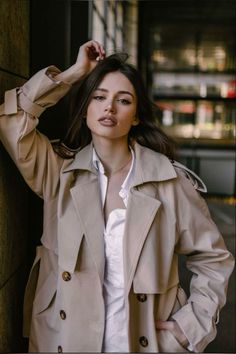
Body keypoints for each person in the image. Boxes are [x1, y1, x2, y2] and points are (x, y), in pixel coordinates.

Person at [0, 40, 234, 353]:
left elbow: (213, 258)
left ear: (136, 115)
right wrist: (73, 73)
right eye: (99, 97)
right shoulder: (60, 173)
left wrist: (190, 327)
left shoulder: (169, 181)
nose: (109, 107)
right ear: (85, 111)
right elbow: (12, 121)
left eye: (123, 100)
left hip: (144, 342)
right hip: (65, 342)